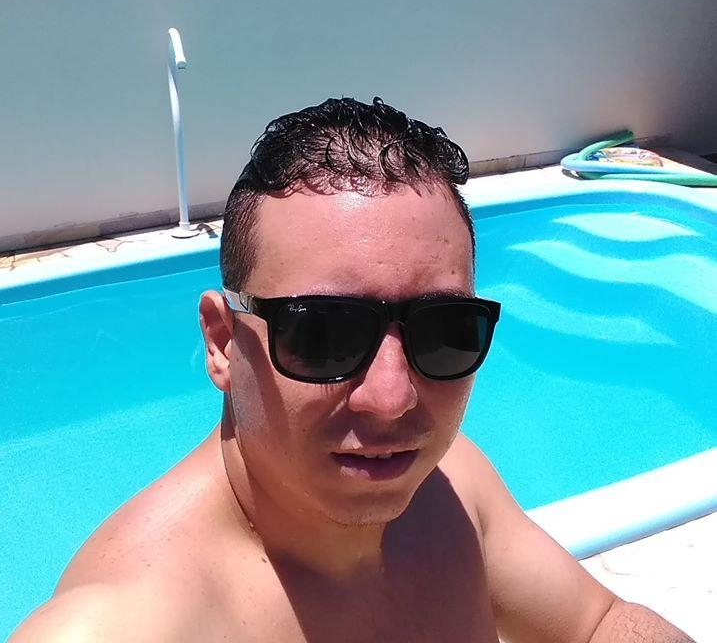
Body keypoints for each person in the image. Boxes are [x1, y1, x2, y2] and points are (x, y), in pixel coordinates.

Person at [12, 97, 696, 642]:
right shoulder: (132, 620)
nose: (392, 400)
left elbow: (596, 625)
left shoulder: (448, 487)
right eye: (322, 335)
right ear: (222, 342)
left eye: (444, 331)